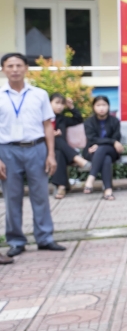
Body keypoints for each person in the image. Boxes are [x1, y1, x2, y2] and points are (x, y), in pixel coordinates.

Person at [0, 52, 64, 262]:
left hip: (36, 148)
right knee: (12, 197)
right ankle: (16, 241)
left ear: (26, 68)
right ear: (3, 70)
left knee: (40, 195)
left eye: (19, 65)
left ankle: (45, 237)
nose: (15, 69)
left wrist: (51, 154)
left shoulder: (39, 94)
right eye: (10, 66)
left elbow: (48, 125)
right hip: (8, 150)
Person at [49, 93, 89, 199]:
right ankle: (77, 158)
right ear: (49, 103)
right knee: (56, 139)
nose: (60, 106)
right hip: (45, 152)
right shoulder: (42, 118)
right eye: (57, 103)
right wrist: (49, 135)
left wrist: (71, 107)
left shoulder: (62, 119)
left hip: (61, 152)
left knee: (59, 152)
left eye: (62, 104)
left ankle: (61, 187)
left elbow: (78, 119)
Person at [82, 96, 122, 201]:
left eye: (104, 105)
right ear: (93, 107)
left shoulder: (115, 121)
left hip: (112, 151)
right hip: (92, 151)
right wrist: (111, 142)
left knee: (103, 150)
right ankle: (108, 190)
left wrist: (101, 144)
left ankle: (91, 179)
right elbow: (92, 138)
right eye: (98, 105)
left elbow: (116, 138)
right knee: (106, 158)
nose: (101, 108)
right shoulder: (89, 122)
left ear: (108, 106)